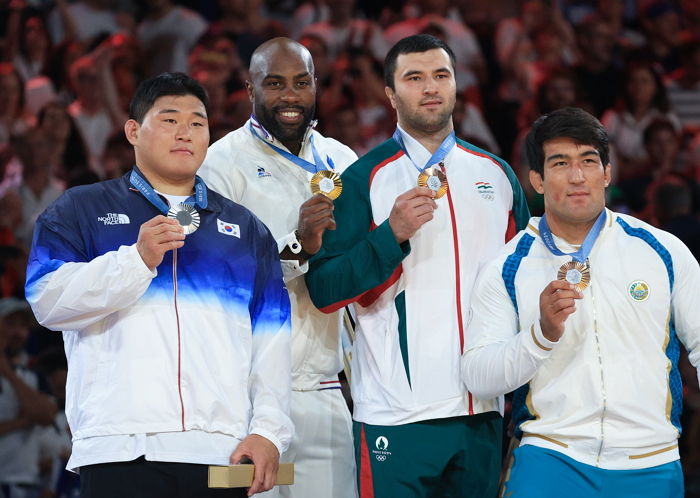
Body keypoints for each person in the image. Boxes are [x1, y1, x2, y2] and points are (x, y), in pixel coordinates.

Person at [24, 72, 293, 498]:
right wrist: (136, 260)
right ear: (133, 131)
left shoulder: (245, 228)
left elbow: (273, 340)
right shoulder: (81, 208)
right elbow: (47, 301)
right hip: (120, 447)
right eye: (169, 120)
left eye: (197, 122)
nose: (185, 132)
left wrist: (269, 433)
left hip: (221, 450)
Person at [305, 34, 530, 497]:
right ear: (390, 94)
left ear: (455, 85)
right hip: (396, 415)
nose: (430, 87)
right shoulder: (363, 179)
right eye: (414, 78)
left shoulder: (497, 174)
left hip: (482, 411)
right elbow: (325, 289)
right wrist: (390, 236)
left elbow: (525, 287)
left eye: (441, 76)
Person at [462, 106, 700, 498]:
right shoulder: (507, 266)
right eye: (560, 163)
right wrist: (539, 336)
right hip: (551, 456)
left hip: (650, 459)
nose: (576, 176)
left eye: (588, 161)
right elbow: (478, 375)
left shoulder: (662, 251)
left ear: (607, 172)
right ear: (536, 179)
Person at [198, 37, 358, 498]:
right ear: (250, 90)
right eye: (275, 84)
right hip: (247, 397)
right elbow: (220, 279)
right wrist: (297, 247)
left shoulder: (342, 161)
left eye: (301, 83)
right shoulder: (221, 165)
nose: (290, 96)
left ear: (316, 87)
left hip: (327, 389)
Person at [0, 297, 58, 498]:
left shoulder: (35, 374)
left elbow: (46, 416)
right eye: (10, 324)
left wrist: (6, 371)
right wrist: (25, 420)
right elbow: (37, 415)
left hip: (26, 485)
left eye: (23, 326)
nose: (18, 332)